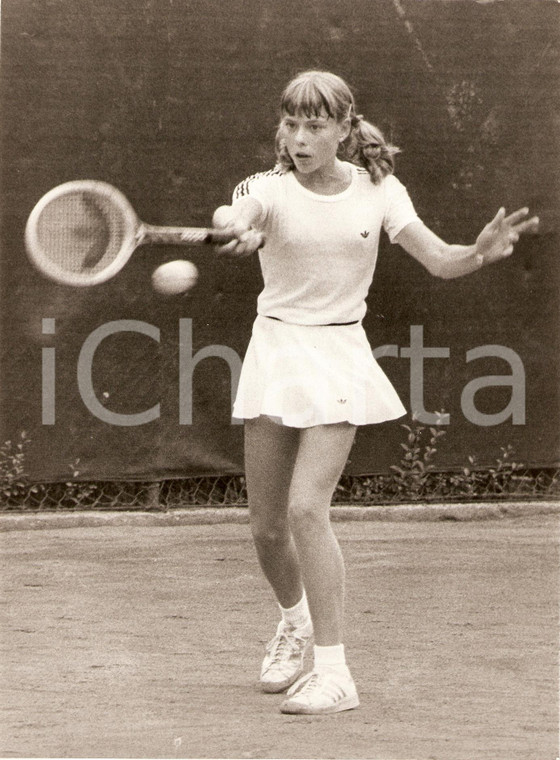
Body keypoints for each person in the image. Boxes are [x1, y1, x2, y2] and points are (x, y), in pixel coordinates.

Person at [210, 70, 538, 715]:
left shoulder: (379, 191)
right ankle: (294, 623)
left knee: (307, 509)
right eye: (290, 123)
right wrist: (235, 229)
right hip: (277, 349)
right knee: (266, 529)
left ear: (342, 129)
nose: (298, 137)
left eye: (314, 125)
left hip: (338, 355)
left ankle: (334, 674)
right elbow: (236, 214)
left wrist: (479, 251)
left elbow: (441, 260)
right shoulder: (265, 189)